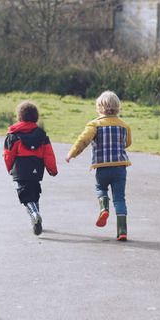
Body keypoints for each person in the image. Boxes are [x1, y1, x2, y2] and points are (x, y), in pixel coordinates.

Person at [66, 90, 132, 241]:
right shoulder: (124, 126)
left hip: (102, 167)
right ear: (118, 108)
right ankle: (122, 231)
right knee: (120, 199)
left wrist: (71, 154)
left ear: (99, 108)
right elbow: (127, 143)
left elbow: (83, 140)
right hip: (120, 168)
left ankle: (104, 208)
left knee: (100, 188)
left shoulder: (94, 125)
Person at [3, 101, 58, 235]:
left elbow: (8, 154)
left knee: (26, 196)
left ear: (19, 116)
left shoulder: (14, 135)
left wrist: (9, 168)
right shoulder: (41, 135)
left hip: (21, 169)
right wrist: (52, 169)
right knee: (34, 193)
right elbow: (48, 153)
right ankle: (37, 223)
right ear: (36, 117)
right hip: (37, 168)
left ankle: (34, 214)